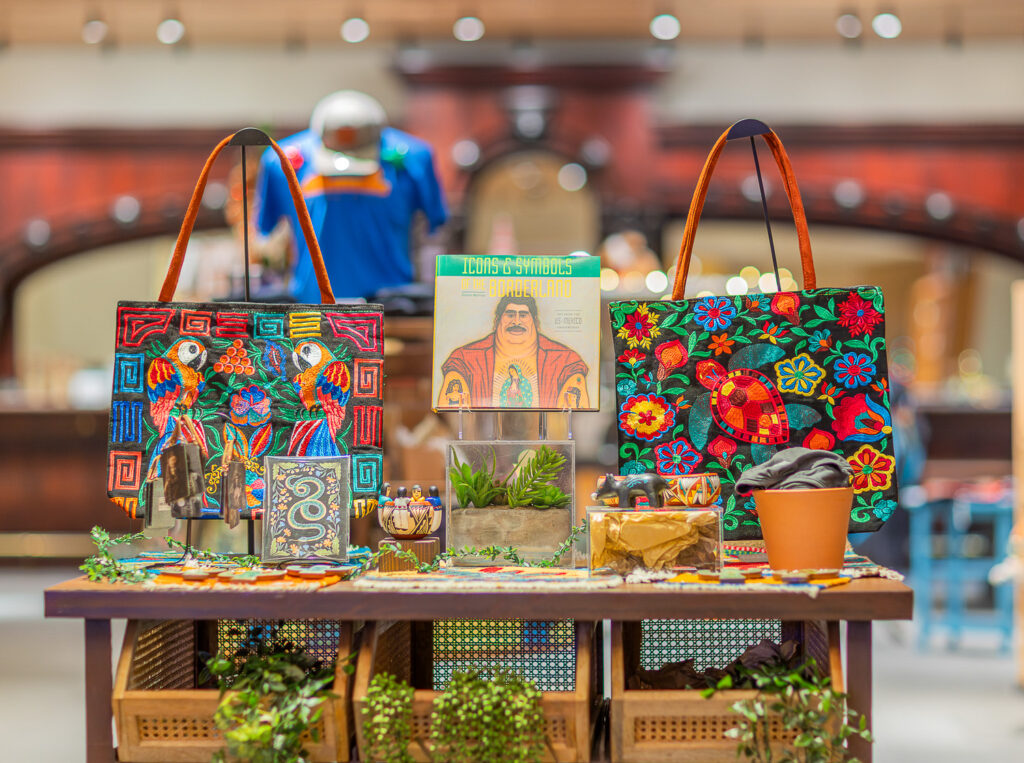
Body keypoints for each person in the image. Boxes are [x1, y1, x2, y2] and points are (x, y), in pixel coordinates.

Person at [255, 90, 447, 302]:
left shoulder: (415, 159)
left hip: (392, 307)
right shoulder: (280, 162)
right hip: (312, 307)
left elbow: (437, 232)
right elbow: (264, 233)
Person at [438, 294, 590, 409]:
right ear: (496, 321)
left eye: (523, 315)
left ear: (536, 323)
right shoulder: (465, 359)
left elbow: (575, 416)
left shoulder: (565, 361)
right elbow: (451, 412)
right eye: (510, 314)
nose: (516, 321)